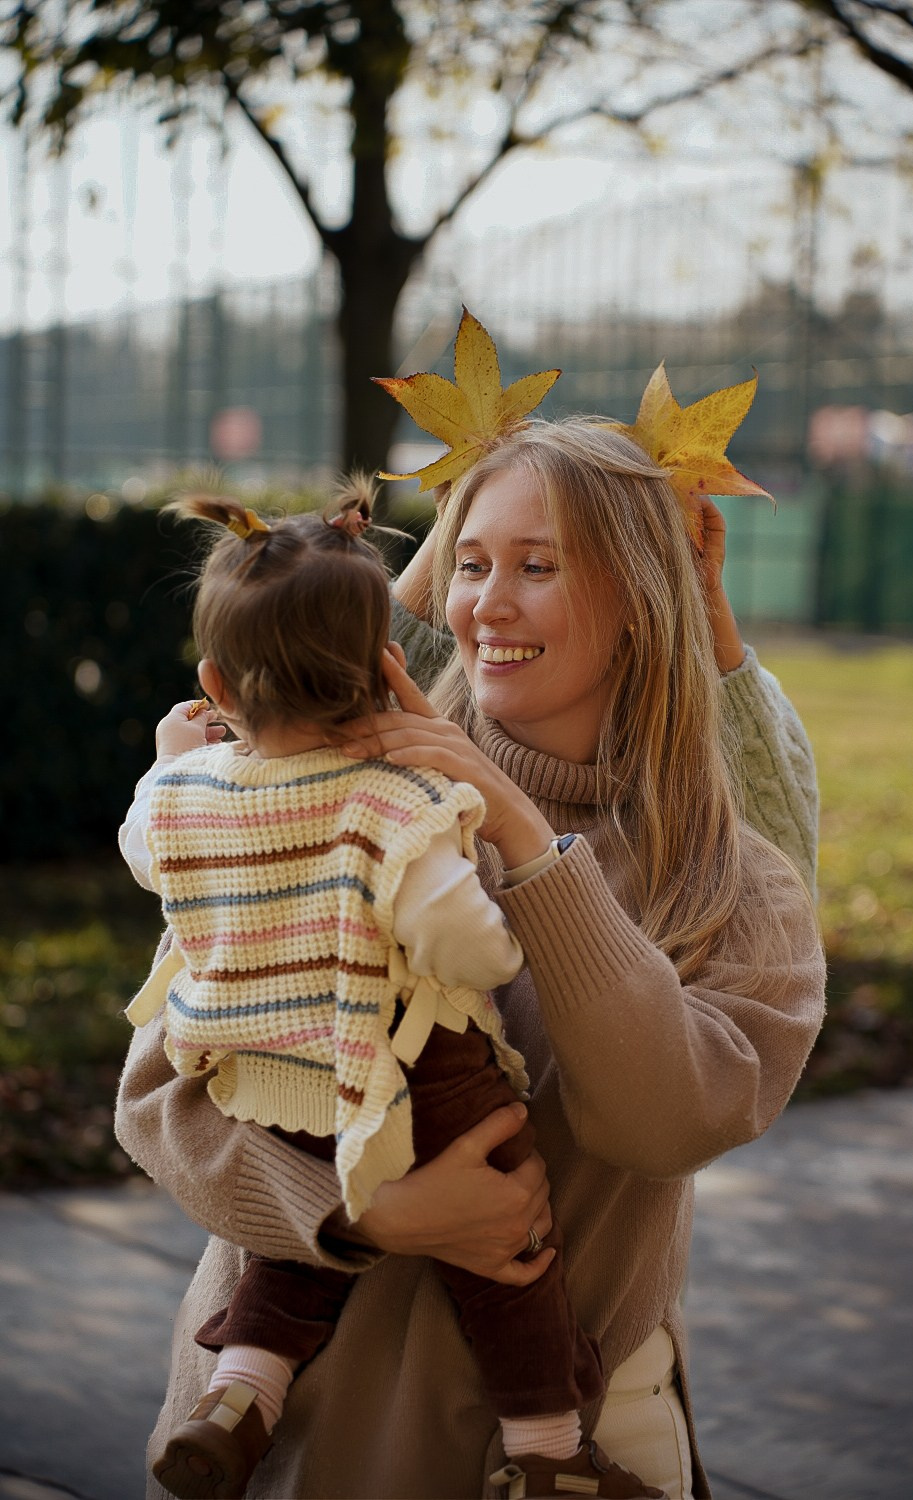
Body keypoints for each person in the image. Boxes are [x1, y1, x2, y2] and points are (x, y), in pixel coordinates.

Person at [116, 418, 825, 1500]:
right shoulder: (314, 791)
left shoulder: (737, 883)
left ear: (640, 600)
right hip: (278, 1435)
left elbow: (665, 1122)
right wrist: (353, 1212)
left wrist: (532, 852)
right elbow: (162, 1093)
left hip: (546, 1451)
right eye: (471, 564)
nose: (486, 604)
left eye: (537, 568)